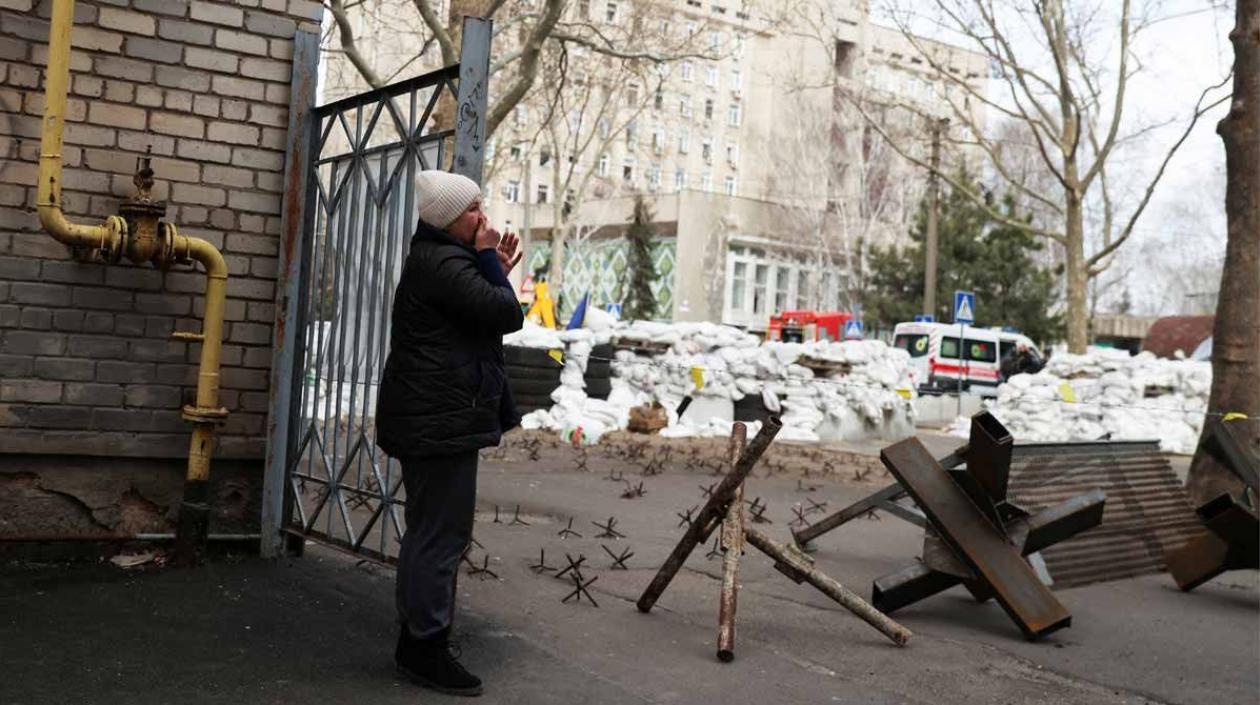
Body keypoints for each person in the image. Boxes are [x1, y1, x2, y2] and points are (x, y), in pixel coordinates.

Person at [375, 170, 524, 697]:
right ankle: (423, 649)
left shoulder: (442, 261)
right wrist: (491, 264)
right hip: (438, 421)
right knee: (440, 537)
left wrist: (492, 266)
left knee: (431, 533)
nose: (484, 218)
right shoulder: (442, 261)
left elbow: (479, 318)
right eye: (473, 209)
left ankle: (418, 640)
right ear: (446, 219)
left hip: (436, 417)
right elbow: (507, 314)